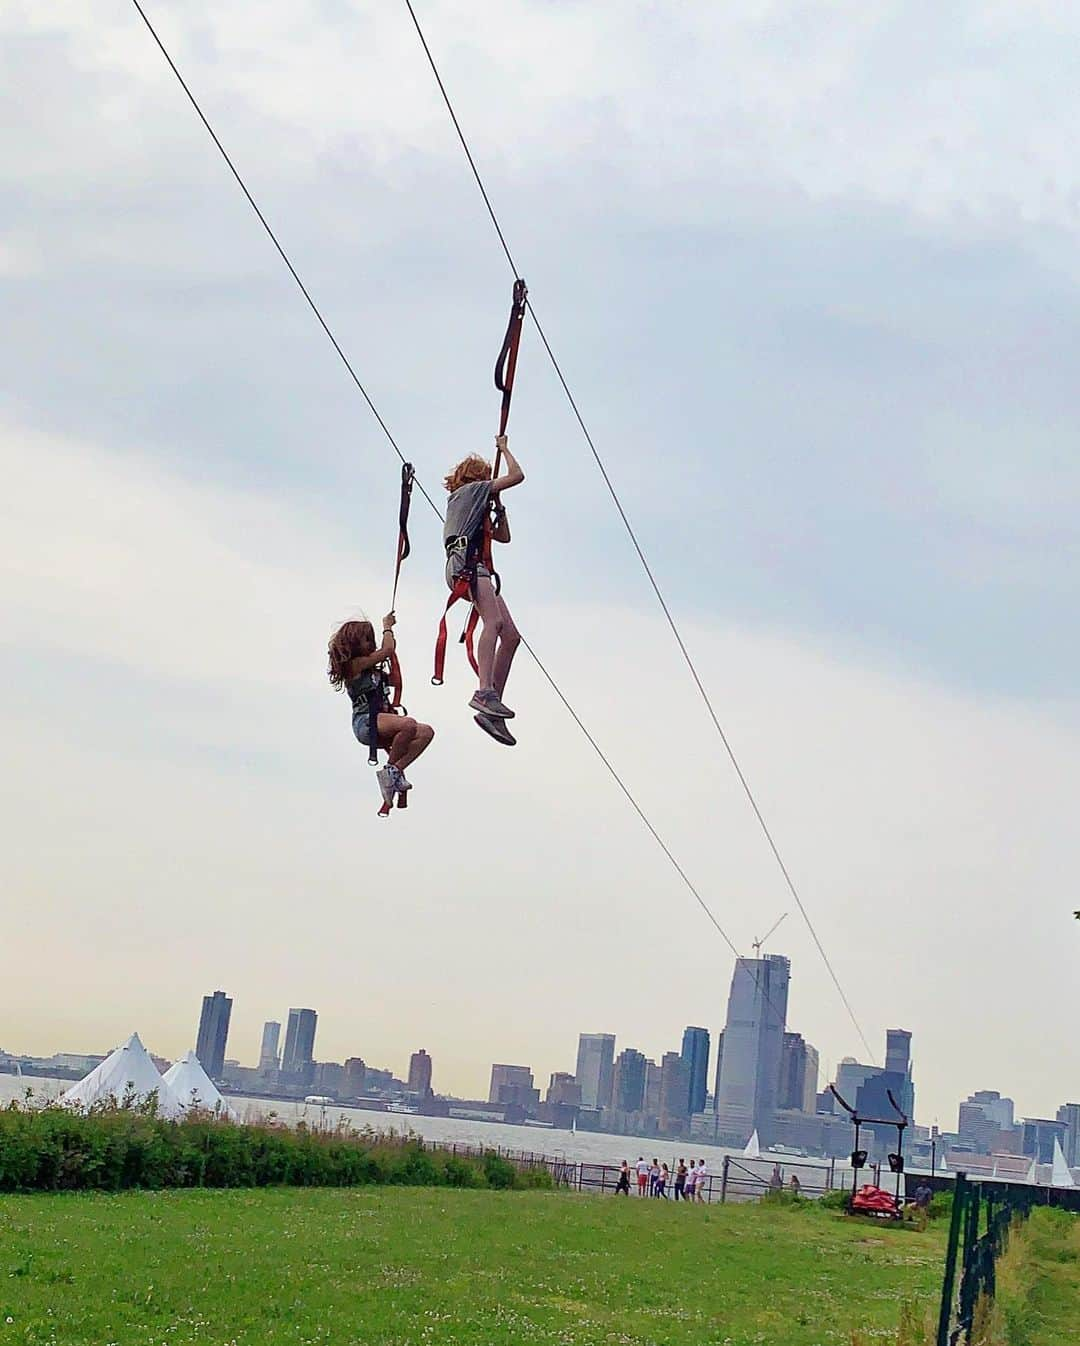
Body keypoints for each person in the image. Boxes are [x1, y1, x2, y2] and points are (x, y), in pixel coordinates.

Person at [442, 435, 525, 745]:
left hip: (477, 569)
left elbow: (504, 537)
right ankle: (484, 692)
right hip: (467, 566)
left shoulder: (476, 503)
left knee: (511, 636)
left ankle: (492, 705)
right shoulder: (468, 493)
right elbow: (516, 476)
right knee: (494, 623)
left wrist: (498, 508)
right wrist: (504, 448)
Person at [327, 612, 434, 806]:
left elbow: (389, 658)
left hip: (380, 720)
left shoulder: (373, 671)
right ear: (353, 643)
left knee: (426, 732)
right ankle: (390, 772)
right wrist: (387, 627)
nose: (370, 644)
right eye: (366, 640)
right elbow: (387, 650)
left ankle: (395, 770)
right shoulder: (354, 666)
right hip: (366, 722)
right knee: (409, 725)